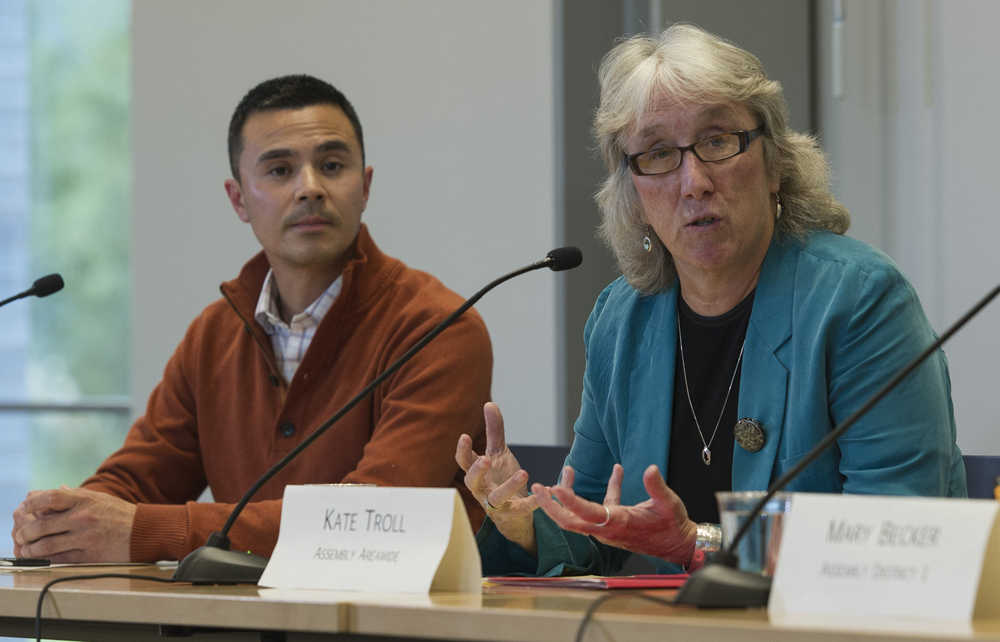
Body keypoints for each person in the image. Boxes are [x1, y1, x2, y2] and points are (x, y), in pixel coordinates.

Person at [457, 24, 966, 577]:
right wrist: (520, 519)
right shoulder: (621, 320)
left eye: (718, 141)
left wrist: (696, 544)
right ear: (634, 195)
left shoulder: (860, 302)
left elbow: (897, 539)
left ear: (774, 163)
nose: (694, 181)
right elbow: (595, 528)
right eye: (658, 154)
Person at [11, 75, 492, 563]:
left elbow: (371, 520)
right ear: (238, 199)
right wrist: (64, 521)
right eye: (280, 170)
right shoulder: (214, 335)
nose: (310, 188)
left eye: (331, 166)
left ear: (364, 187)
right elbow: (137, 480)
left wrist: (146, 531)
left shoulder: (439, 329)